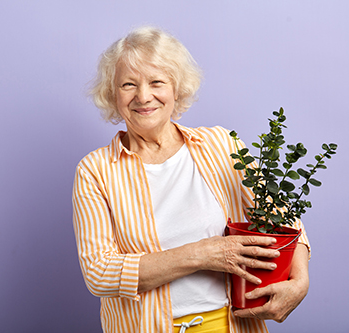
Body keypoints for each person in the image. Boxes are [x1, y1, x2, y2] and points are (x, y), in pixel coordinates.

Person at [72, 26, 310, 333]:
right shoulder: (95, 171)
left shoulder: (222, 145)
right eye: (128, 84)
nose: (143, 96)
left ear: (176, 87)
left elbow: (287, 222)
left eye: (156, 81)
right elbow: (99, 273)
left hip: (231, 326)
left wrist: (300, 282)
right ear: (112, 94)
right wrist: (201, 254)